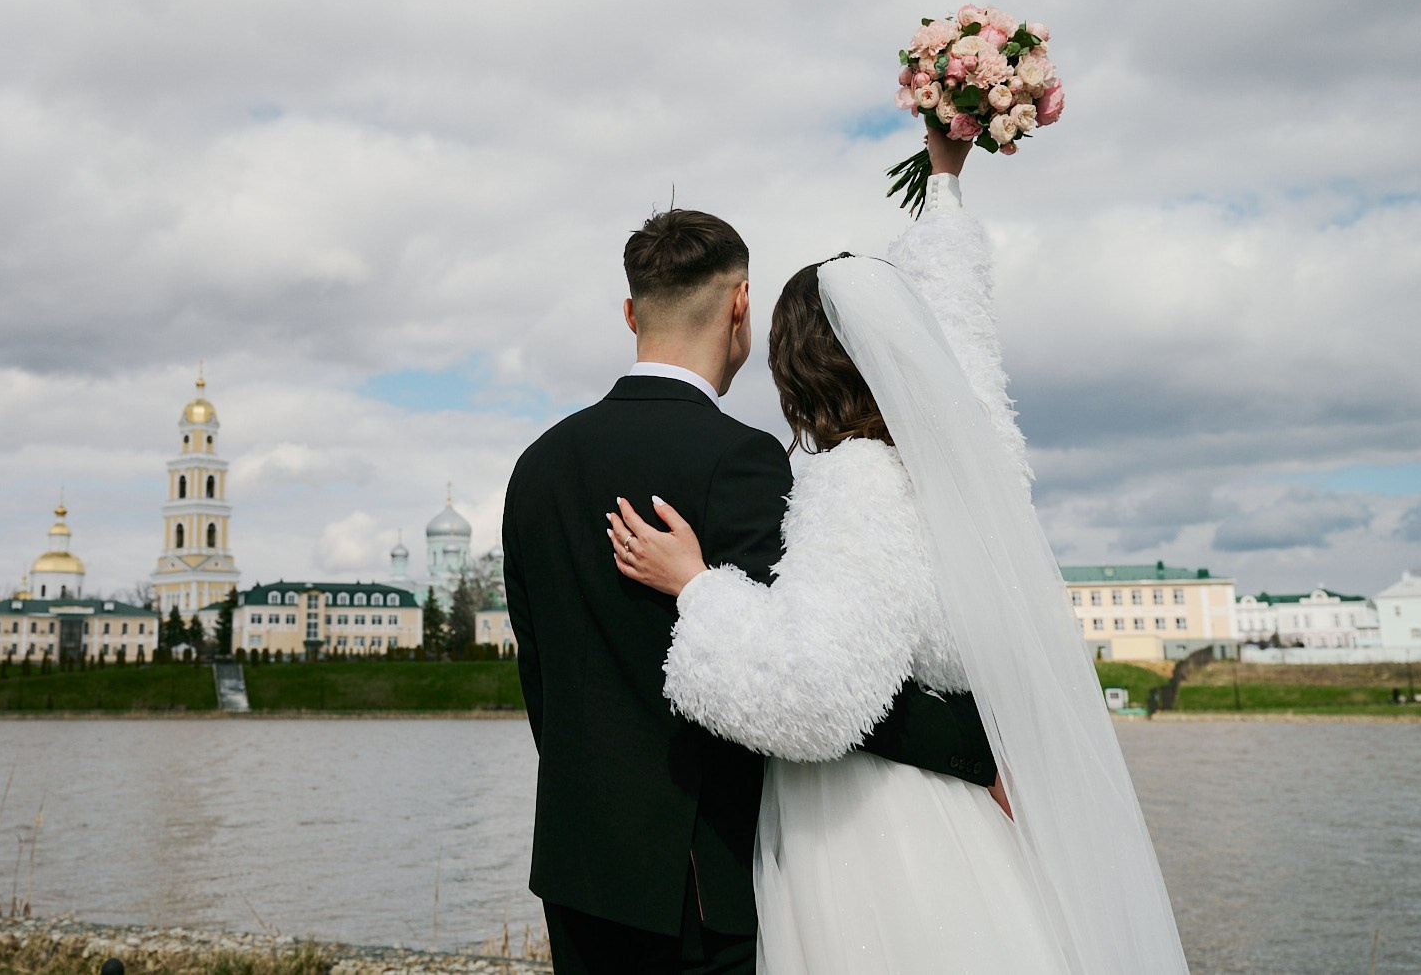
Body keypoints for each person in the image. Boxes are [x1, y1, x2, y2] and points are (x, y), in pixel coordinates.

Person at [606, 130, 1190, 973]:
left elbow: (818, 698)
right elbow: (969, 342)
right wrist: (945, 188)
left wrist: (698, 587)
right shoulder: (970, 462)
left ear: (795, 363)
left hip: (872, 841)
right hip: (958, 821)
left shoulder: (857, 483)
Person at [502, 195, 1001, 975]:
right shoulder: (741, 460)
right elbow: (818, 673)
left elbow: (542, 680)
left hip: (576, 870)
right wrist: (974, 751)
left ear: (631, 312)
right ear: (741, 305)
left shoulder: (537, 467)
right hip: (702, 883)